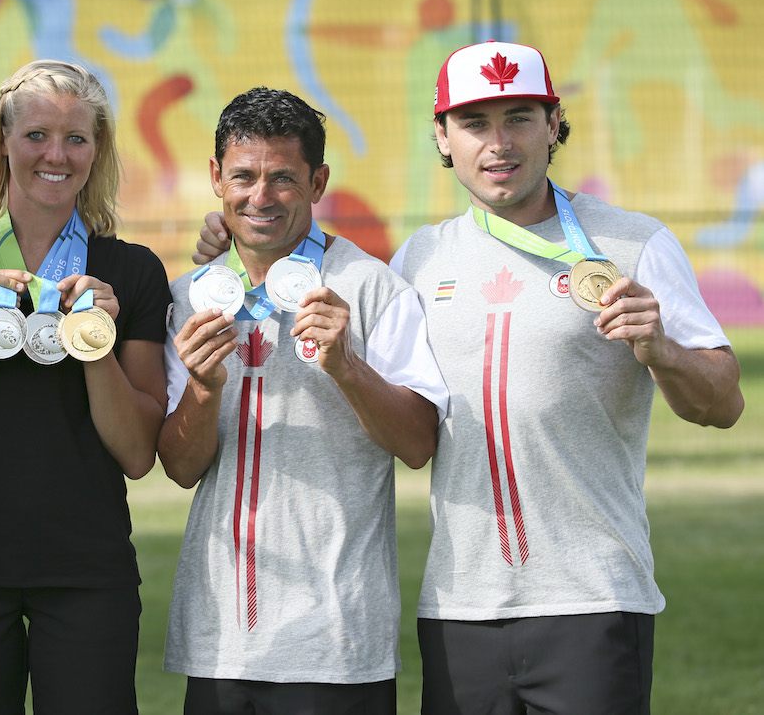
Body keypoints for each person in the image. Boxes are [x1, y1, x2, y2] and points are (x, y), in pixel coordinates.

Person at [195, 42, 745, 714]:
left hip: (593, 596)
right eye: (474, 124)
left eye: (518, 118)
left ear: (552, 124)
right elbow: (307, 258)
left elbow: (721, 403)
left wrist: (660, 347)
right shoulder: (420, 258)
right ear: (442, 137)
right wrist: (228, 241)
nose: (498, 143)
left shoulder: (632, 244)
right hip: (457, 607)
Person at [159, 86, 448, 715]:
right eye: (243, 176)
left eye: (283, 178)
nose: (259, 197)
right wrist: (205, 392)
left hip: (336, 639)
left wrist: (346, 367)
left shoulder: (372, 288)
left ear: (317, 182)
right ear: (216, 177)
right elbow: (180, 468)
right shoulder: (189, 298)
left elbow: (419, 444)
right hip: (221, 640)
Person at [0, 59, 171, 714]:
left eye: (76, 138)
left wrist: (93, 343)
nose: (56, 154)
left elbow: (137, 452)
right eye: (36, 135)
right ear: (2, 141)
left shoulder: (130, 271)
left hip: (87, 572)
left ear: (97, 150)